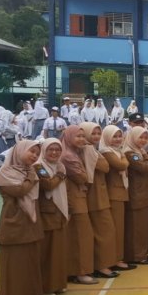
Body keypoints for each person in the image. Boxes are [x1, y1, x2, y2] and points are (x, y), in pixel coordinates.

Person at [0, 140, 44, 295]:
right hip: (14, 223)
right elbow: (19, 191)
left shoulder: (29, 170)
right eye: (31, 152)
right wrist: (31, 177)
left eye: (37, 154)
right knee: (14, 265)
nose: (34, 156)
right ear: (19, 152)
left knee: (28, 262)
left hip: (29, 221)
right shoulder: (6, 172)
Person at [80, 122, 119, 279]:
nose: (96, 137)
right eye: (92, 134)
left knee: (101, 230)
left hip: (98, 194)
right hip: (95, 195)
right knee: (104, 230)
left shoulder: (92, 149)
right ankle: (102, 265)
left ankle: (100, 264)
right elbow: (105, 167)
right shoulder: (89, 150)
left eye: (98, 133)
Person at [61, 125, 98, 285]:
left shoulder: (75, 153)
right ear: (69, 137)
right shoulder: (68, 156)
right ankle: (81, 272)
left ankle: (72, 270)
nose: (82, 140)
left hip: (77, 197)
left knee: (76, 236)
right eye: (78, 136)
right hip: (74, 198)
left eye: (83, 136)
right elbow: (82, 177)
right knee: (83, 236)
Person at [35, 138, 69, 295]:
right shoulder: (39, 166)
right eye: (51, 149)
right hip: (48, 212)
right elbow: (47, 185)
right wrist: (60, 176)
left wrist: (59, 174)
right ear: (44, 150)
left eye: (57, 149)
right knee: (48, 251)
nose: (54, 152)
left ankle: (58, 283)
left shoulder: (59, 165)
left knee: (58, 250)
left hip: (59, 211)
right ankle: (47, 286)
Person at [98, 125, 135, 272]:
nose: (118, 139)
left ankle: (117, 258)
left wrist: (123, 158)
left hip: (120, 193)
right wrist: (125, 161)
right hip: (114, 194)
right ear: (107, 137)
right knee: (113, 229)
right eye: (114, 136)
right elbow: (121, 165)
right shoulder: (106, 151)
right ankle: (113, 259)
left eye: (120, 136)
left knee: (119, 229)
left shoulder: (118, 151)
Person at [124, 126, 148, 265]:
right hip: (136, 194)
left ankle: (141, 254)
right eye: (140, 137)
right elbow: (144, 167)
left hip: (143, 194)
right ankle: (136, 256)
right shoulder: (130, 153)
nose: (143, 140)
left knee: (142, 227)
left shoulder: (139, 151)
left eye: (145, 138)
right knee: (135, 227)